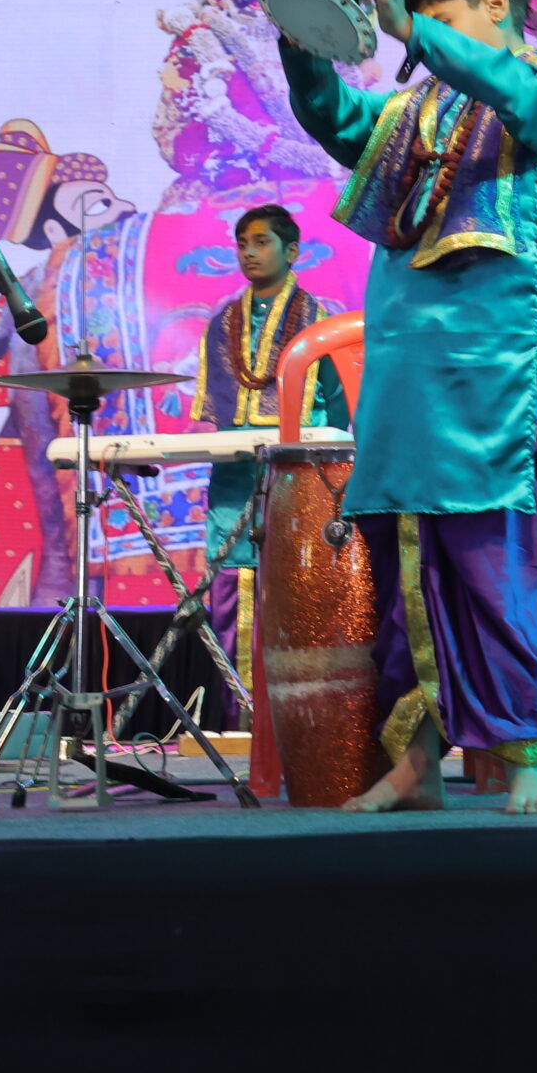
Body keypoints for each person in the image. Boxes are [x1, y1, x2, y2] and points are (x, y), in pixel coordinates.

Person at [278, 0, 537, 816]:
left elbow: (519, 96)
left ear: (496, 5)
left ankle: (522, 753)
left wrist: (410, 25)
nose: (426, 38)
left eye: (442, 21)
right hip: (403, 362)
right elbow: (339, 121)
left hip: (489, 368)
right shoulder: (415, 109)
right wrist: (305, 40)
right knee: (399, 563)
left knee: (496, 565)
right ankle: (417, 760)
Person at [188, 203, 347, 724]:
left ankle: (304, 719)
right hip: (236, 480)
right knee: (234, 593)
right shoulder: (221, 325)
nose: (249, 253)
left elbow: (341, 410)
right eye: (242, 244)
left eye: (261, 242)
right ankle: (243, 720)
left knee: (303, 586)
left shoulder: (321, 322)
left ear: (292, 250)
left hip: (301, 476)